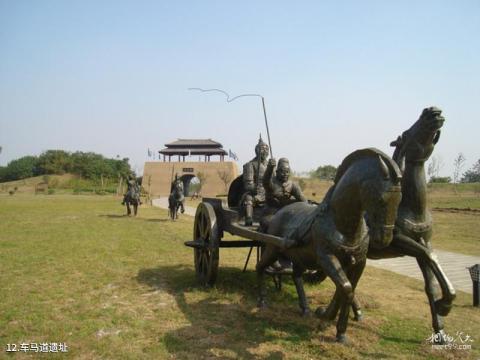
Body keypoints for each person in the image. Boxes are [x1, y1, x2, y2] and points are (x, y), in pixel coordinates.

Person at [261, 157, 306, 231]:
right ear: (277, 171)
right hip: (271, 213)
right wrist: (270, 168)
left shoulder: (293, 185)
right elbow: (265, 181)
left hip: (286, 214)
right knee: (269, 225)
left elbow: (303, 200)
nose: (285, 174)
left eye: (287, 172)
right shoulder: (272, 182)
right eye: (282, 171)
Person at [241, 136, 269, 226]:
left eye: (266, 149)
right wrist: (255, 189)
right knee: (248, 199)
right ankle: (249, 218)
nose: (265, 151)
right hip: (255, 193)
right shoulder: (250, 165)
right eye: (262, 149)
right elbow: (248, 184)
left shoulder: (270, 165)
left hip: (269, 191)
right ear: (257, 150)